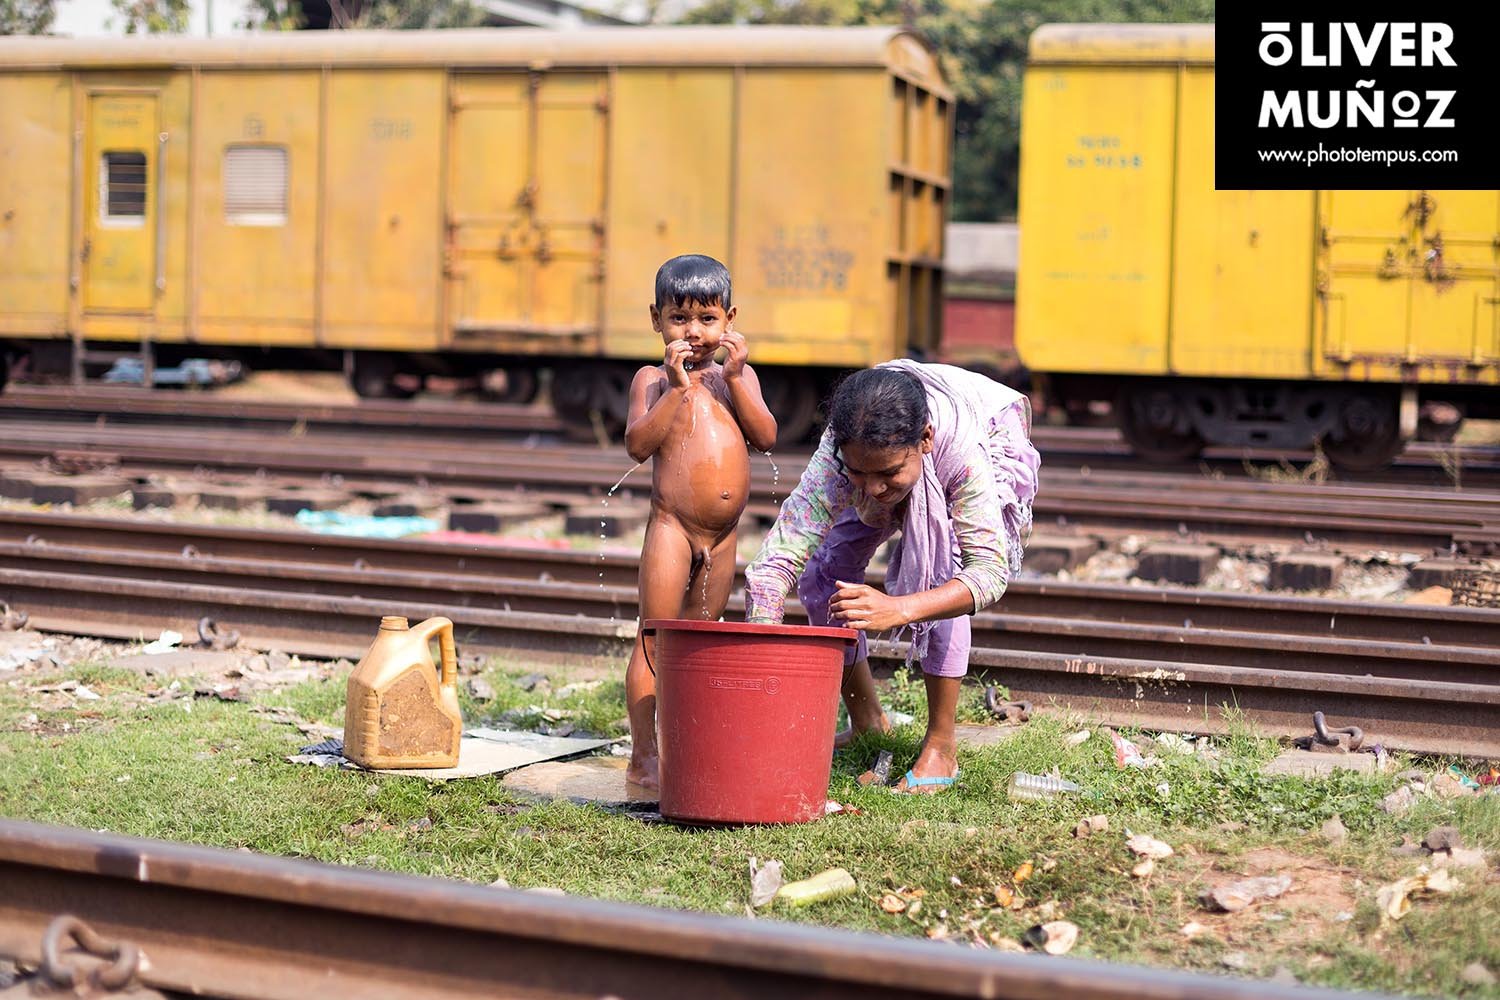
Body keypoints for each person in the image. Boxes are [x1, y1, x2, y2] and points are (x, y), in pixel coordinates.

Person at [744, 361, 1039, 794]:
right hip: (891, 447)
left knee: (940, 573)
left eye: (887, 474)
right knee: (822, 572)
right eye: (858, 474)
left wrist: (896, 608)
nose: (873, 490)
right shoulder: (839, 457)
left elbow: (988, 573)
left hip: (986, 431)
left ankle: (941, 749)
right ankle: (867, 724)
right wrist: (760, 649)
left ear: (924, 441)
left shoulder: (959, 453)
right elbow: (778, 557)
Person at [622, 254, 777, 789]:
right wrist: (677, 386)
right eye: (679, 319)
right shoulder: (652, 379)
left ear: (729, 320)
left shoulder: (739, 376)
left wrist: (734, 378)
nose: (694, 332)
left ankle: (689, 743)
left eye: (707, 320)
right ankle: (644, 754)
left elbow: (766, 437)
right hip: (672, 527)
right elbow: (638, 446)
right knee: (654, 639)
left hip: (724, 534)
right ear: (655, 320)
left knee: (702, 638)